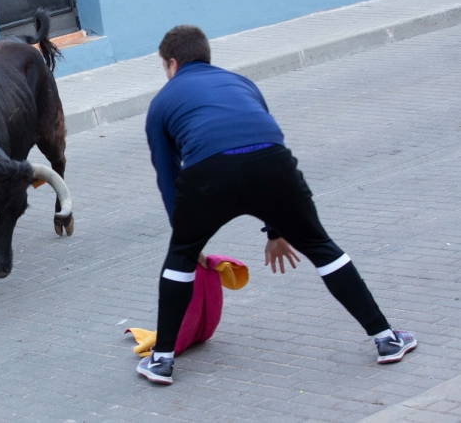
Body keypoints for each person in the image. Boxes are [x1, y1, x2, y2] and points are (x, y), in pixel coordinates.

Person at [137, 25, 416, 385]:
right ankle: (386, 339)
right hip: (273, 164)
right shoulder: (241, 83)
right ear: (205, 55)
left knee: (179, 261)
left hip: (209, 173)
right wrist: (276, 229)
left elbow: (167, 174)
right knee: (320, 246)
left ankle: (161, 362)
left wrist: (190, 243)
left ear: (171, 63)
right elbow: (262, 137)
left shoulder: (162, 102)